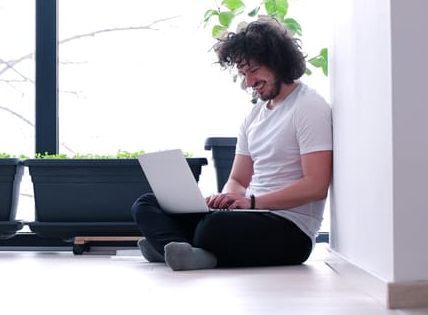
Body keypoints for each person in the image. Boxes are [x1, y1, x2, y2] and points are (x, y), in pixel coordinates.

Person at [131, 18, 333, 271]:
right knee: (146, 204)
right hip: (249, 215)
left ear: (277, 61)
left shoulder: (308, 107)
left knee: (213, 228)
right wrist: (226, 200)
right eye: (243, 73)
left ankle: (169, 245)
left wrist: (252, 204)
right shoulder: (255, 115)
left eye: (254, 71)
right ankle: (183, 251)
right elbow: (238, 179)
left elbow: (316, 185)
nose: (249, 82)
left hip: (291, 229)